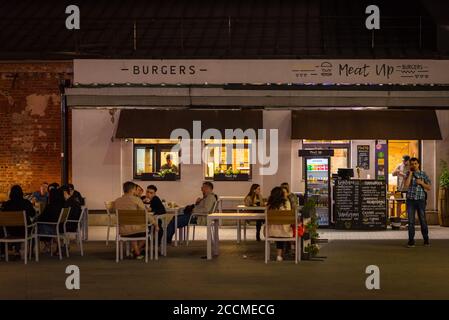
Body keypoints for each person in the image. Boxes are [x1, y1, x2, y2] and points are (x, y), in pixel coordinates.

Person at [114, 181, 157, 259]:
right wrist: (155, 224)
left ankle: (136, 252)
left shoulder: (117, 201)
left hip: (123, 231)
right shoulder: (137, 200)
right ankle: (136, 252)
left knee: (131, 227)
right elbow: (146, 214)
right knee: (149, 230)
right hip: (137, 232)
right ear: (132, 190)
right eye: (135, 189)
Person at [404, 158, 431, 247]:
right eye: (412, 164)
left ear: (418, 164)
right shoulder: (408, 174)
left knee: (423, 220)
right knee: (411, 221)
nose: (414, 165)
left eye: (415, 163)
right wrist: (411, 174)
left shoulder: (423, 174)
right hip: (410, 200)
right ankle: (411, 241)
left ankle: (426, 240)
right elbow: (406, 186)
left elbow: (429, 187)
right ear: (410, 165)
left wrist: (422, 183)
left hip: (420, 200)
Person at [1, 185, 36, 256]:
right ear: (21, 193)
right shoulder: (26, 203)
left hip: (10, 230)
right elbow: (33, 214)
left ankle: (3, 252)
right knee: (34, 228)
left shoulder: (6, 204)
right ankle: (31, 252)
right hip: (24, 230)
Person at [266, 186, 292, 262]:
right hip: (284, 231)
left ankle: (279, 255)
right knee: (282, 228)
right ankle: (280, 255)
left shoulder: (269, 206)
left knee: (278, 229)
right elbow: (288, 217)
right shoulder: (286, 203)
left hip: (270, 231)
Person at [37, 186, 65, 253]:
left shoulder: (50, 206)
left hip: (52, 228)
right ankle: (51, 246)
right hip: (60, 227)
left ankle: (48, 245)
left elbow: (41, 217)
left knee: (38, 226)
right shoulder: (63, 205)